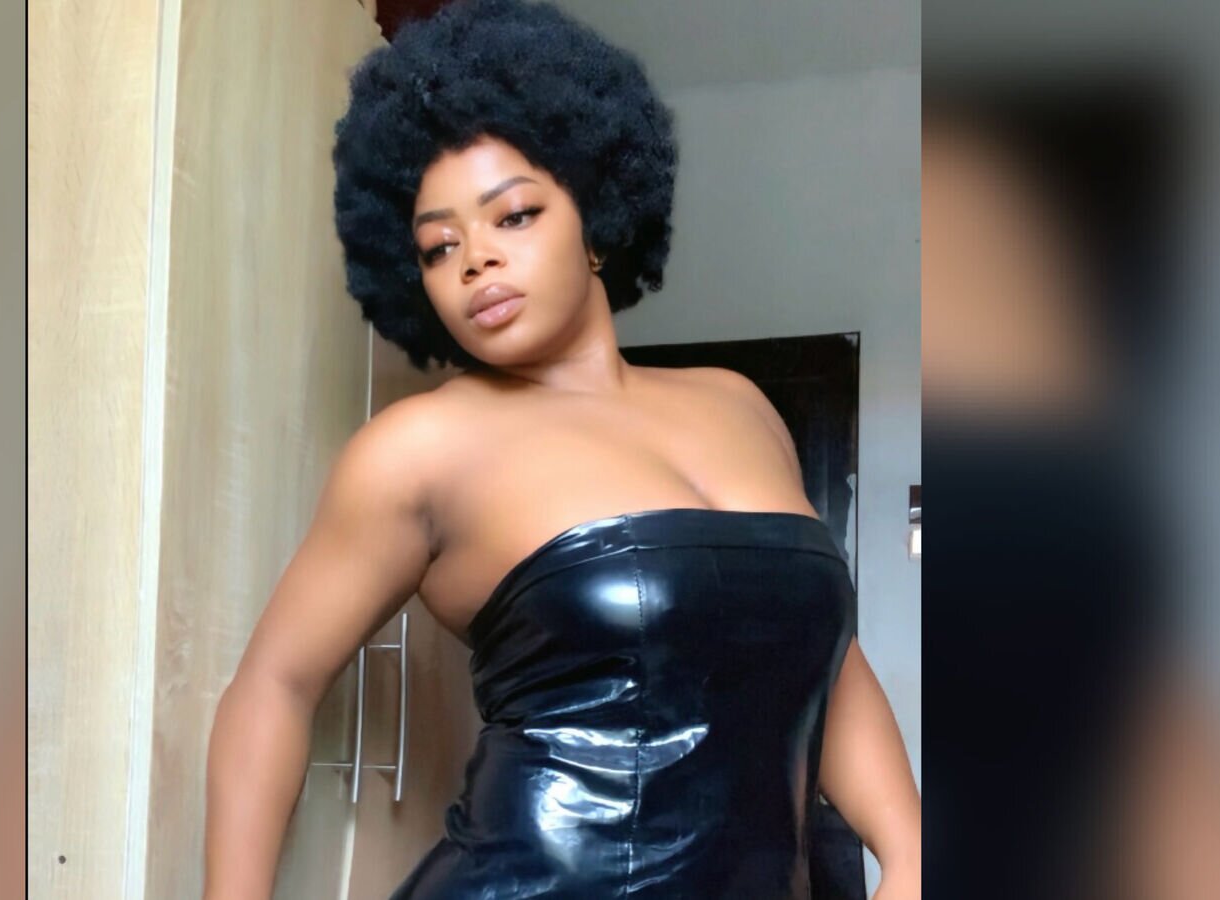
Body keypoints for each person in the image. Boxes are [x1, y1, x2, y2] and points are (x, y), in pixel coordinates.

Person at [203, 1, 920, 897]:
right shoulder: (420, 450)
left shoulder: (739, 406)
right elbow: (273, 685)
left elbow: (825, 658)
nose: (475, 261)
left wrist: (909, 850)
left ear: (597, 219)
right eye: (438, 247)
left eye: (513, 216)